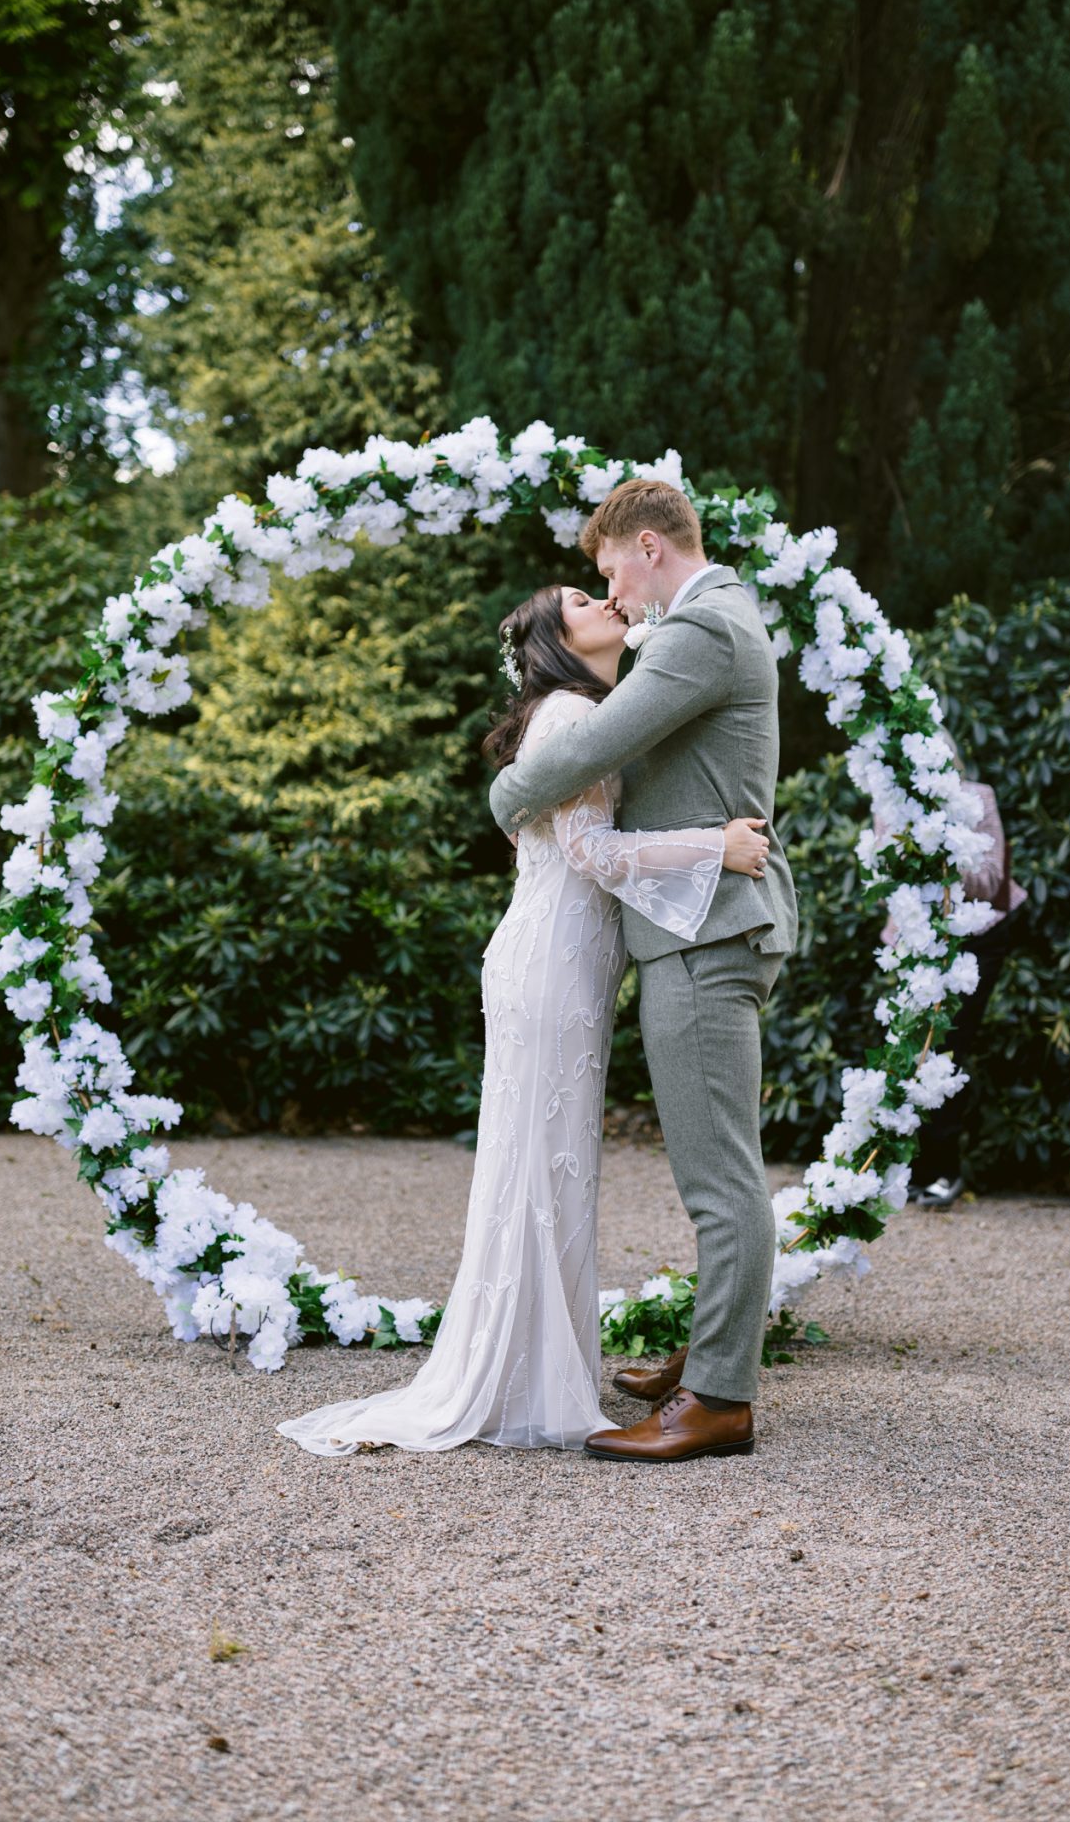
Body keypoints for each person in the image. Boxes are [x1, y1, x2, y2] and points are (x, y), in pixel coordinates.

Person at [275, 580, 770, 1458]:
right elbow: (585, 853)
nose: (609, 601)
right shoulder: (569, 718)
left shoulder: (584, 711)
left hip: (566, 961)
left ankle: (538, 1369)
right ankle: (524, 1381)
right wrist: (714, 847)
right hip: (550, 962)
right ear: (555, 636)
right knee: (545, 1164)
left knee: (551, 1163)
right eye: (583, 598)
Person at [488, 477, 798, 1463]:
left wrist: (506, 792)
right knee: (713, 1163)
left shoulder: (700, 630)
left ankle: (718, 1398)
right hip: (696, 923)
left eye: (609, 565)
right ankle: (714, 1354)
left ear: (651, 545)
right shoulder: (707, 621)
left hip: (705, 931)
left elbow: (599, 744)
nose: (611, 587)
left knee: (720, 1177)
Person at [879, 763, 1027, 1210]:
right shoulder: (890, 801)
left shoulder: (979, 798)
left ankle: (944, 1170)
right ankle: (905, 1167)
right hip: (918, 939)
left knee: (948, 1044)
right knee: (908, 1045)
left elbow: (992, 882)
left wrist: (942, 856)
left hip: (978, 935)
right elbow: (887, 869)